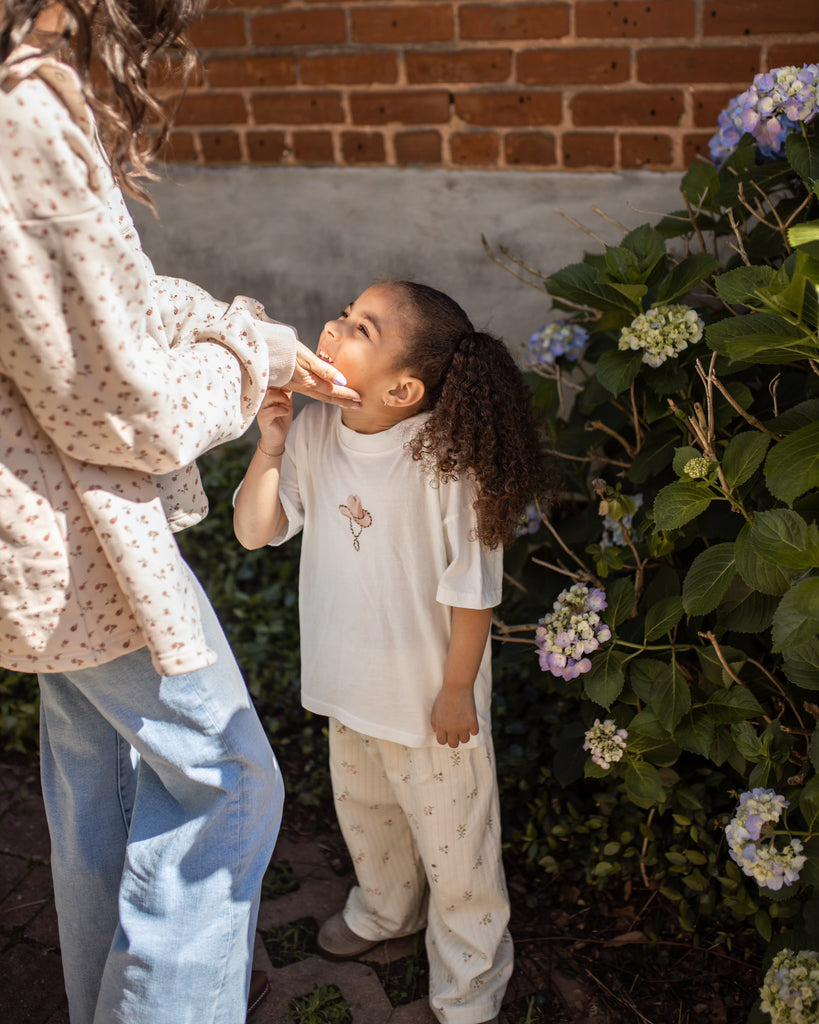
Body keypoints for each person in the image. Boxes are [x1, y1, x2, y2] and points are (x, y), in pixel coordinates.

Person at [0, 3, 360, 1023]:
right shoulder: (23, 109)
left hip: (44, 539)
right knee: (229, 788)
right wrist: (249, 363)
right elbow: (131, 408)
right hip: (79, 534)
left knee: (100, 775)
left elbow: (104, 308)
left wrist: (247, 333)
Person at [233, 280, 548, 1024]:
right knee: (368, 815)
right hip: (348, 686)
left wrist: (455, 690)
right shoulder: (312, 431)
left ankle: (470, 977)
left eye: (360, 328)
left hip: (430, 703)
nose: (333, 327)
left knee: (457, 849)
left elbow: (471, 592)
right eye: (344, 314)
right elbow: (255, 529)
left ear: (403, 388)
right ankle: (384, 914)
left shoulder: (448, 464)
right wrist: (270, 446)